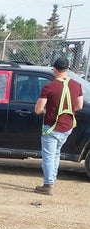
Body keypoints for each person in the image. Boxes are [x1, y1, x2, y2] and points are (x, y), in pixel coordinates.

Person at [33, 57, 84, 195]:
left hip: (51, 127)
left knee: (49, 156)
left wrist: (47, 110)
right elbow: (79, 105)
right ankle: (51, 179)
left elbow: (38, 109)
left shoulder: (49, 87)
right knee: (56, 154)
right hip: (67, 127)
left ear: (54, 70)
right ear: (67, 69)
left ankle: (48, 184)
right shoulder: (77, 85)